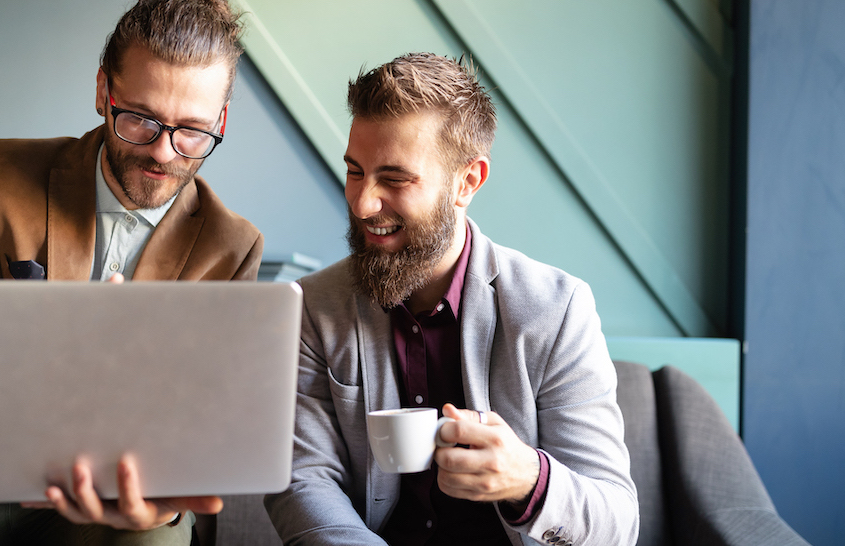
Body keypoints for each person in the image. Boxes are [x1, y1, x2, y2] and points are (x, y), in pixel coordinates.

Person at [0, 0, 261, 545]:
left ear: (220, 122)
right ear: (103, 90)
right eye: (140, 120)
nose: (163, 152)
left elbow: (204, 426)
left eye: (193, 132)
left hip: (122, 508)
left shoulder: (231, 247)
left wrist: (159, 508)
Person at [264, 53, 639, 545]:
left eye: (395, 179)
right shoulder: (311, 306)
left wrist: (528, 481)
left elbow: (616, 524)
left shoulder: (557, 310)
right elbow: (303, 482)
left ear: (468, 182)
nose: (361, 203)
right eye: (355, 171)